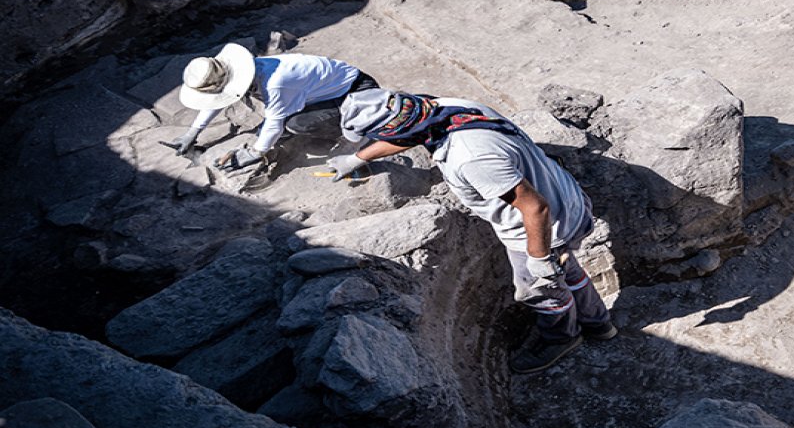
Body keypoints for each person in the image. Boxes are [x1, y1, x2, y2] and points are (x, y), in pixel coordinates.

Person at [332, 88, 616, 374]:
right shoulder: (446, 108)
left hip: (541, 228)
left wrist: (539, 258)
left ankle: (561, 337)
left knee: (541, 289)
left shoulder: (470, 157)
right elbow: (407, 133)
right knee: (566, 268)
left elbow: (535, 208)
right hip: (566, 199)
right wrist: (359, 158)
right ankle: (598, 324)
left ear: (393, 129)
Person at [163, 43, 380, 170]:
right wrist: (193, 132)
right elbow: (218, 99)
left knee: (295, 125)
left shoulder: (275, 82)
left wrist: (256, 152)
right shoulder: (249, 72)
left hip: (358, 94)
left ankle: (356, 135)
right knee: (271, 131)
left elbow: (275, 123)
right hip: (323, 93)